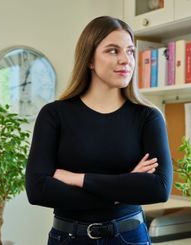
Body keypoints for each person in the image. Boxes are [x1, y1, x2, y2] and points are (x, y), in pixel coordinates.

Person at [26, 16, 173, 245]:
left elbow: (158, 189)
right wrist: (125, 187)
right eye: (113, 51)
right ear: (90, 60)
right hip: (69, 238)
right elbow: (37, 190)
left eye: (131, 51)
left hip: (129, 237)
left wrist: (77, 179)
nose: (126, 60)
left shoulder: (148, 117)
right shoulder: (54, 115)